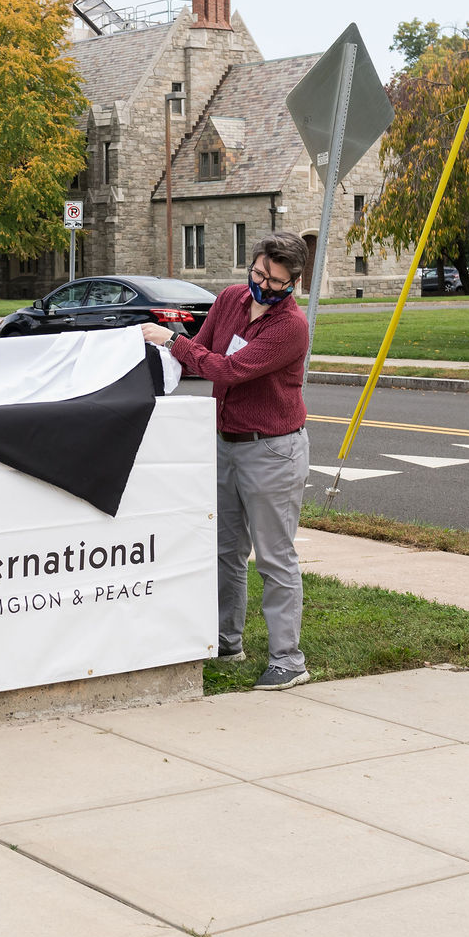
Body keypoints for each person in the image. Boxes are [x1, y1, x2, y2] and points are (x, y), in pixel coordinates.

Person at [141, 232, 312, 691]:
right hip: (224, 442)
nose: (263, 285)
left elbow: (229, 369)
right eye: (258, 273)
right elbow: (203, 356)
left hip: (273, 449)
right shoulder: (232, 299)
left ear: (293, 281)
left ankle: (287, 659)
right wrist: (177, 350)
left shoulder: (291, 326)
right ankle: (226, 640)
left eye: (275, 281)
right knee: (225, 550)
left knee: (275, 559)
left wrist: (173, 341)